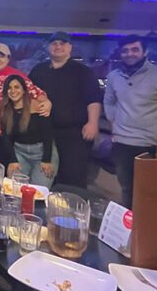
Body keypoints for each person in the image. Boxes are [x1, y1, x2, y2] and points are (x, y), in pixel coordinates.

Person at [104, 34, 157, 207]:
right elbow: (109, 102)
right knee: (127, 190)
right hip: (122, 143)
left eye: (135, 49)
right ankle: (130, 230)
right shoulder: (114, 77)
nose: (129, 54)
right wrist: (114, 127)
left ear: (145, 51)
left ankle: (148, 230)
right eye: (125, 50)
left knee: (150, 192)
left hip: (150, 144)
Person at [29, 32, 102, 188]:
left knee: (73, 175)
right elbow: (29, 97)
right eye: (54, 43)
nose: (58, 46)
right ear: (48, 47)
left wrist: (93, 123)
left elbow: (93, 99)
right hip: (45, 132)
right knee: (47, 175)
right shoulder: (38, 70)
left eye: (62, 43)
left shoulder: (83, 71)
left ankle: (72, 210)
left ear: (70, 47)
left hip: (74, 133)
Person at [0, 42, 51, 167]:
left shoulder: (16, 76)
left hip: (7, 134)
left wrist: (47, 102)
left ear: (8, 58)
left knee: (6, 172)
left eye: (1, 56)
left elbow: (38, 93)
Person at [1, 75, 57, 187]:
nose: (13, 91)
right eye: (9, 88)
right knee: (15, 189)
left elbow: (48, 134)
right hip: (20, 153)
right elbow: (6, 137)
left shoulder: (37, 106)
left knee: (38, 191)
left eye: (17, 87)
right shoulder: (5, 110)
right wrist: (13, 160)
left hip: (41, 152)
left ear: (23, 90)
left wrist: (46, 160)